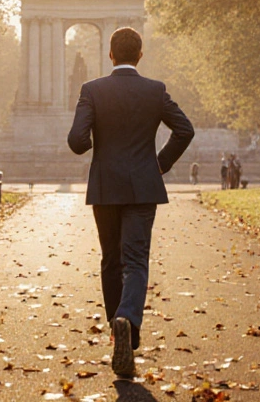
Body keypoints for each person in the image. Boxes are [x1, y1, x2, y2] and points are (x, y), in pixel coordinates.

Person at [67, 27, 194, 379]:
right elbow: (185, 130)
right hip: (142, 185)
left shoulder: (92, 90)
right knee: (135, 261)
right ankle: (128, 321)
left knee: (111, 259)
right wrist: (160, 164)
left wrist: (99, 145)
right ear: (140, 55)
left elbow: (77, 141)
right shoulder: (155, 91)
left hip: (106, 185)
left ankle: (115, 327)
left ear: (110, 55)